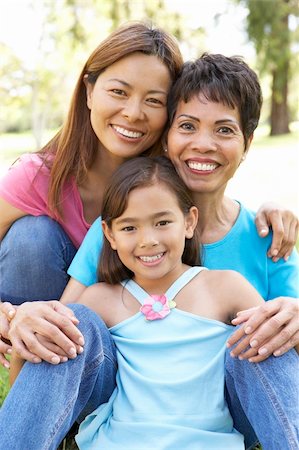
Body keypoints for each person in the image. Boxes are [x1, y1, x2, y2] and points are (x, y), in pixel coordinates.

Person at [0, 22, 298, 367]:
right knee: (32, 242)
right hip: (93, 345)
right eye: (118, 92)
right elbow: (65, 318)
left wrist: (272, 211)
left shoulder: (172, 178)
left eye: (153, 100)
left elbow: (213, 193)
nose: (133, 112)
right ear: (89, 91)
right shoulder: (45, 183)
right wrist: (10, 316)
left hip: (195, 368)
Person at [3, 157, 299, 450]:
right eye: (130, 228)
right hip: (119, 442)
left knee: (266, 330)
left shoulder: (225, 287)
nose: (148, 240)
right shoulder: (100, 299)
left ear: (189, 222)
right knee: (68, 321)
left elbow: (282, 369)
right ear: (110, 234)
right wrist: (26, 330)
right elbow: (32, 387)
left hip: (209, 441)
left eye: (162, 222)